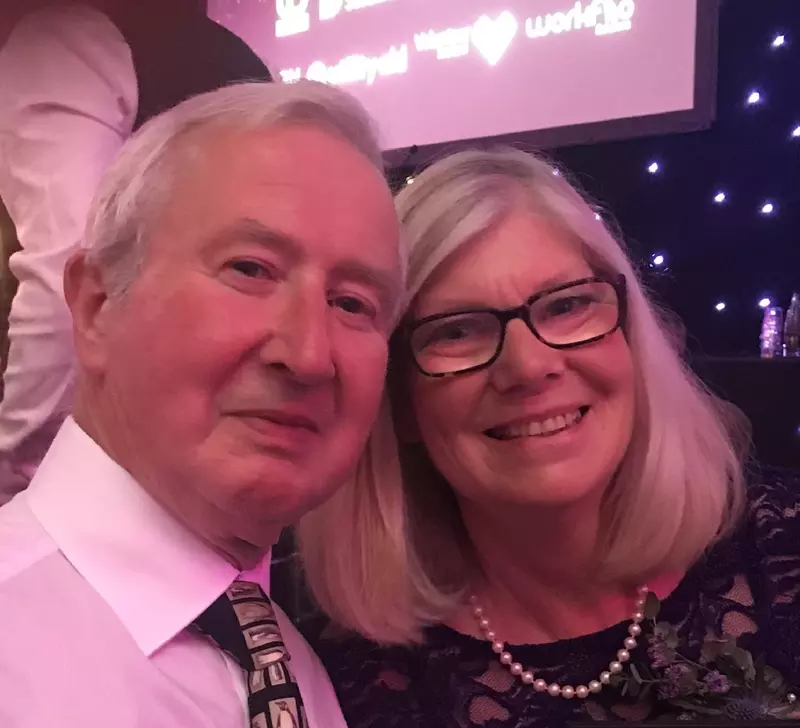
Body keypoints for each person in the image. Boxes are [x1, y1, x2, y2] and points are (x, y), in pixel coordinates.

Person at [297, 148, 800, 728]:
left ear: (632, 340)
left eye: (567, 305)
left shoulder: (779, 552)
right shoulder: (351, 684)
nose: (529, 367)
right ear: (400, 404)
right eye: (456, 330)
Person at [0, 80, 403, 726]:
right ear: (97, 306)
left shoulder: (294, 671)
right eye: (251, 269)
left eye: (353, 303)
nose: (307, 354)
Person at [0, 0, 272, 501]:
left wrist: (15, 475)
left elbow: (65, 285)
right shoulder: (232, 56)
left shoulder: (56, 44)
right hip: (218, 458)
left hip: (99, 472)